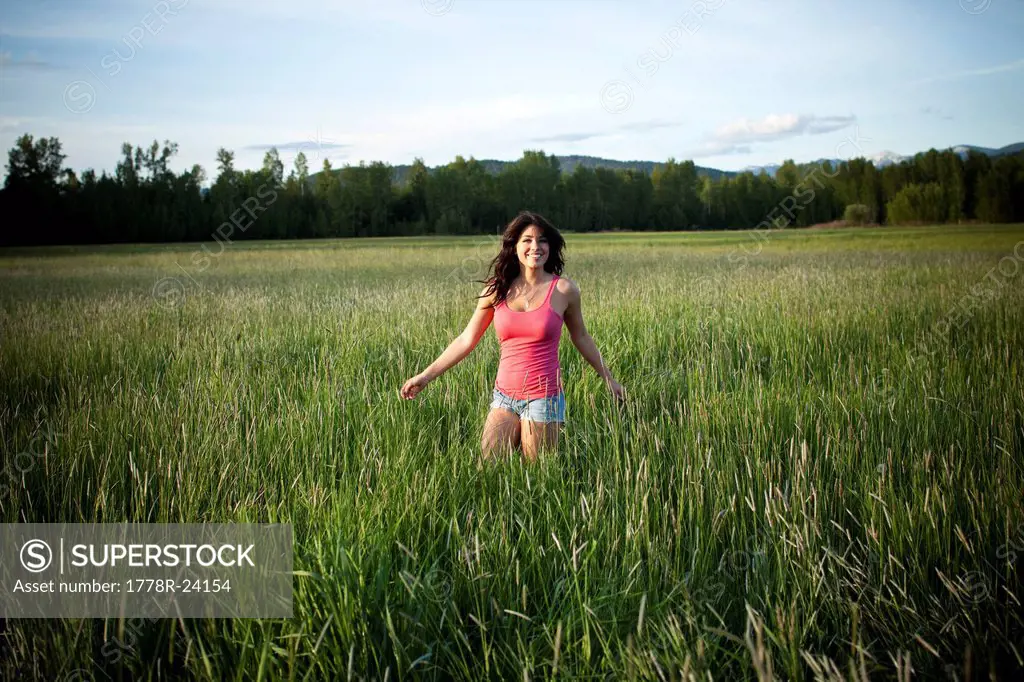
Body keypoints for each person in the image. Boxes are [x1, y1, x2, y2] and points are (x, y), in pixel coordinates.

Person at [399, 210, 626, 462]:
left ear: (550, 246)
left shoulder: (563, 290)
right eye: (527, 240)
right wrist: (426, 376)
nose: (535, 246)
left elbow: (581, 337)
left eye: (542, 240)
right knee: (489, 468)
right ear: (514, 247)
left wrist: (609, 380)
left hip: (544, 398)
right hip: (504, 397)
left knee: (539, 477)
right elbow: (466, 339)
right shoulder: (496, 290)